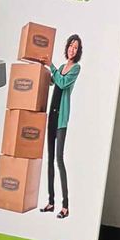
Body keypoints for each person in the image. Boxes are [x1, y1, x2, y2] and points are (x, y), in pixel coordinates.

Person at [39, 33, 81, 221]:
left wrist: (51, 66)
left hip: (62, 119)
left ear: (78, 51)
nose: (73, 49)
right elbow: (53, 81)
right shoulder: (62, 67)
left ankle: (65, 206)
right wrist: (42, 69)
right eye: (71, 45)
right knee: (49, 159)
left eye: (76, 47)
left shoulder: (75, 68)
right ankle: (51, 201)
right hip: (52, 116)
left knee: (59, 159)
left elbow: (63, 83)